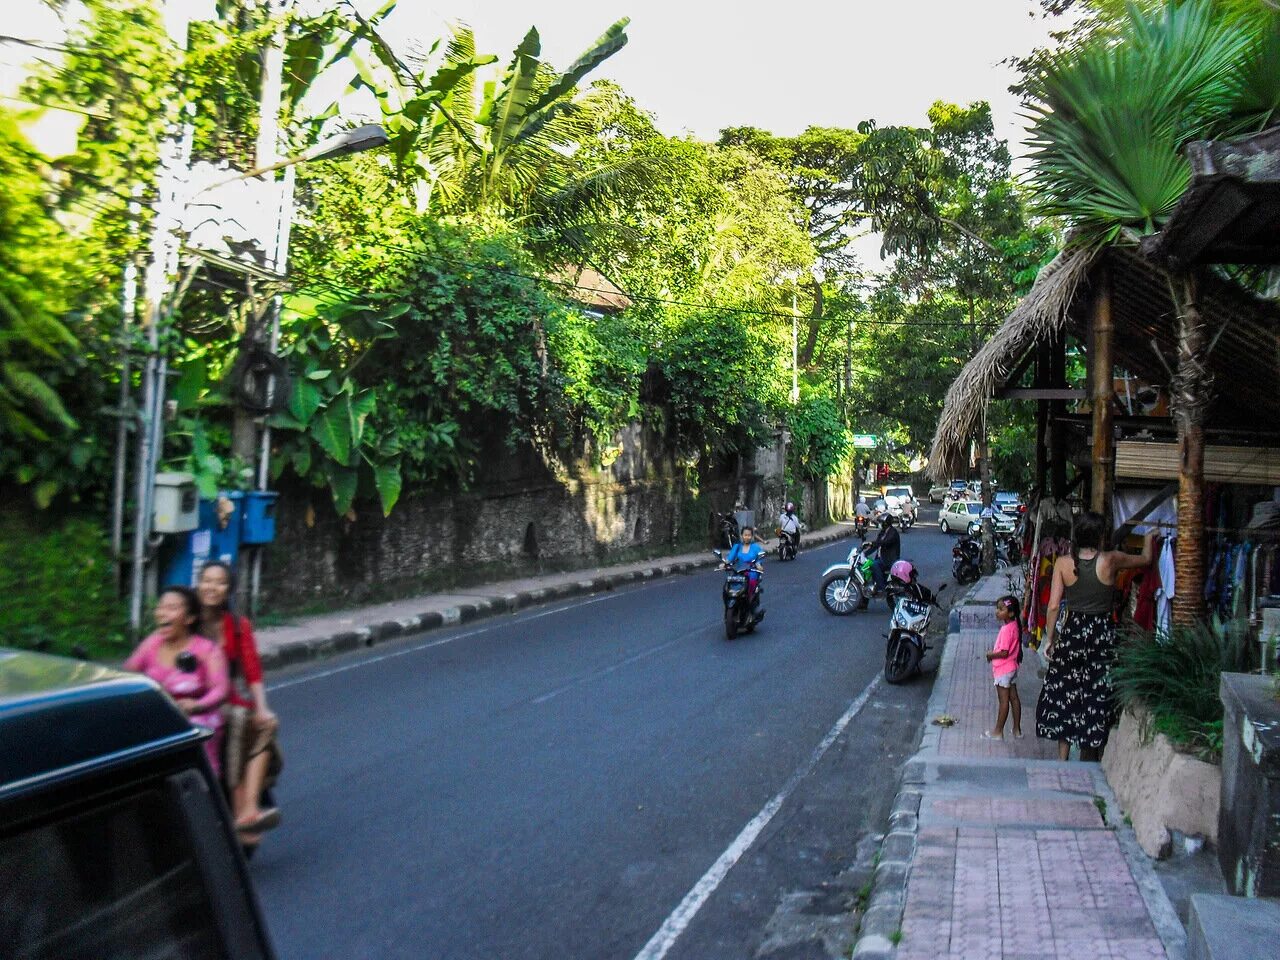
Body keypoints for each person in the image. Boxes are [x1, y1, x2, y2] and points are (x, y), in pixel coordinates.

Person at [1036, 511, 1154, 761]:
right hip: (1101, 634)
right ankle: (1088, 759)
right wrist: (1150, 536)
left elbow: (1054, 606)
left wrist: (1050, 639)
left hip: (1072, 634)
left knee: (1066, 691)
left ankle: (1062, 759)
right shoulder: (1111, 560)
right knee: (1095, 693)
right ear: (1100, 536)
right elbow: (1145, 559)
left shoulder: (1063, 564)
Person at [197, 561, 282, 842]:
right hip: (196, 700)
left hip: (228, 699)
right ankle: (238, 802)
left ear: (228, 590)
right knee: (236, 720)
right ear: (198, 584)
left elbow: (252, 670)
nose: (212, 587)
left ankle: (249, 807)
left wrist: (262, 707)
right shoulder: (188, 620)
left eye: (220, 582)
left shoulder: (237, 626)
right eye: (207, 580)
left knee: (265, 725)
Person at [126, 585, 229, 774]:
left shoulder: (207, 650)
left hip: (196, 717)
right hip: (157, 713)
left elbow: (220, 689)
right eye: (161, 607)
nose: (163, 613)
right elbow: (127, 673)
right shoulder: (152, 643)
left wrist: (197, 705)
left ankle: (206, 781)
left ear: (189, 618)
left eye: (172, 608)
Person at [981, 595, 1023, 741]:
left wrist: (990, 655)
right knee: (1014, 698)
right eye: (997, 608)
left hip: (1003, 669)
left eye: (1001, 609)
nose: (997, 612)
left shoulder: (1006, 630)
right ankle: (1017, 729)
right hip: (1012, 668)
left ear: (1010, 613)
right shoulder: (1015, 626)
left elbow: (1004, 652)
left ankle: (998, 731)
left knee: (1003, 700)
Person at [724, 525, 767, 618]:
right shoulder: (737, 546)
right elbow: (730, 558)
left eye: (749, 535)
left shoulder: (755, 547)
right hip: (739, 571)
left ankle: (751, 605)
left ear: (751, 536)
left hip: (751, 571)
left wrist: (758, 565)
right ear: (741, 535)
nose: (746, 537)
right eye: (745, 535)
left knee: (750, 583)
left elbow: (760, 557)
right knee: (728, 583)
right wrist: (725, 563)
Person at [869, 515, 901, 595]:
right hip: (882, 558)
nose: (880, 524)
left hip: (889, 560)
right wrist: (863, 552)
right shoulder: (882, 532)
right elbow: (876, 545)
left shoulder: (893, 532)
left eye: (881, 522)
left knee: (875, 565)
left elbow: (885, 542)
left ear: (886, 523)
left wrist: (872, 543)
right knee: (866, 568)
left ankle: (882, 587)